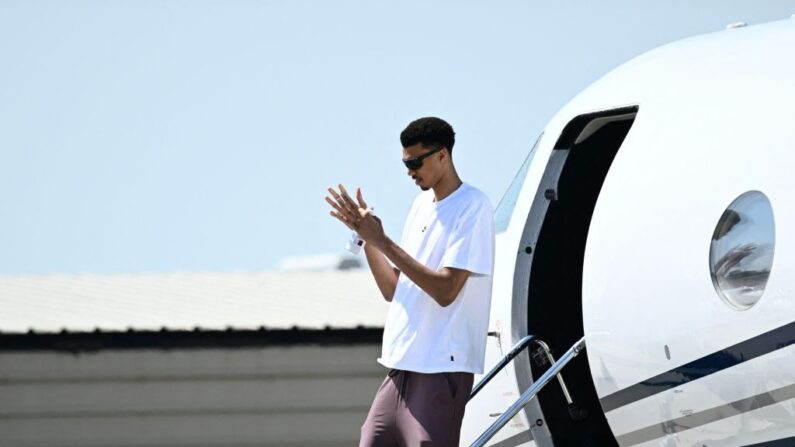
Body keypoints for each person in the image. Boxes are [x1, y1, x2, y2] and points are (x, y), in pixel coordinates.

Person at [325, 116, 495, 446]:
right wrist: (368, 238)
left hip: (441, 366)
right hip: (401, 365)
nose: (410, 171)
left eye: (415, 162)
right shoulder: (420, 206)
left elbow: (446, 290)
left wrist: (383, 240)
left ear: (442, 155)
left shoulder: (473, 206)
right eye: (405, 163)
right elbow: (393, 289)